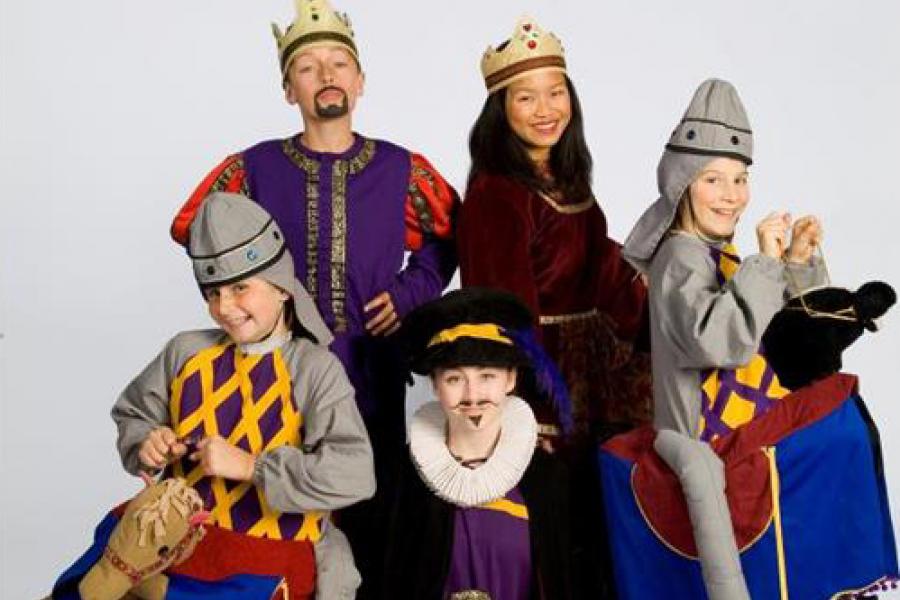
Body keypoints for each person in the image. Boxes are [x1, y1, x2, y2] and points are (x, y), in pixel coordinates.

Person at [168, 1, 458, 588]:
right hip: (273, 370)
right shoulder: (254, 168)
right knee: (274, 505)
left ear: (359, 81)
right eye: (308, 67)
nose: (326, 76)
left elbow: (452, 236)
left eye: (339, 63)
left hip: (368, 367)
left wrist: (407, 294)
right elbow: (192, 226)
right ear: (287, 89)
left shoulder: (402, 168)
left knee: (366, 502)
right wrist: (243, 301)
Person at [53, 192, 376, 599]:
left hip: (267, 555)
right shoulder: (186, 351)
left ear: (281, 288)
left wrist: (253, 467)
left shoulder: (314, 369)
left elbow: (356, 474)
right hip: (171, 540)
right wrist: (148, 441)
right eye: (213, 293)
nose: (225, 307)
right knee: (85, 585)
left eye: (240, 287)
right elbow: (134, 414)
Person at [619, 78, 826, 599]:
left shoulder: (723, 255)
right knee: (703, 475)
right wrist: (764, 264)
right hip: (694, 430)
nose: (731, 196)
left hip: (747, 413)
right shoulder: (679, 258)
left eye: (740, 179)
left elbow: (784, 337)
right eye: (713, 179)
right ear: (683, 183)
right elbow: (722, 343)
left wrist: (796, 264)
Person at [457, 16, 649, 447]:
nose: (545, 110)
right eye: (526, 98)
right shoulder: (496, 195)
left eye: (556, 93)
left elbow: (598, 264)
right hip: (546, 389)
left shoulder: (568, 177)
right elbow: (505, 315)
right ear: (501, 109)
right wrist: (530, 413)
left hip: (593, 376)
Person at [382, 287, 582, 599]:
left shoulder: (549, 480)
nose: (472, 396)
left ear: (511, 379)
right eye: (454, 379)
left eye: (487, 376)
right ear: (434, 384)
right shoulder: (401, 480)